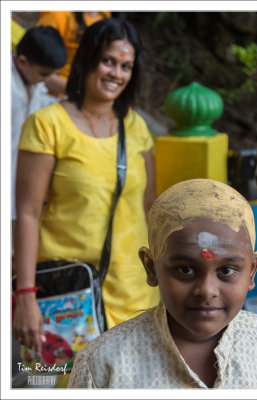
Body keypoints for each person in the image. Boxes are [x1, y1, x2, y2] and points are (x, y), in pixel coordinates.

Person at [13, 18, 160, 364]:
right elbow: (28, 214)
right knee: (54, 384)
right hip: (65, 297)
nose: (116, 74)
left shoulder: (135, 126)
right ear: (87, 60)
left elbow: (150, 205)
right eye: (108, 61)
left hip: (134, 294)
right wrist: (25, 297)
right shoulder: (47, 125)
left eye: (126, 66)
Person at [67, 178, 257, 389]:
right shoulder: (102, 365)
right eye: (185, 270)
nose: (207, 291)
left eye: (227, 270)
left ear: (252, 270)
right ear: (151, 268)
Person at [11, 26, 67, 263]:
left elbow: (44, 101)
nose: (49, 80)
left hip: (16, 177)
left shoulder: (33, 83)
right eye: (45, 74)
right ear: (22, 61)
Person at [36, 11, 111, 96]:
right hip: (50, 96)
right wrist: (81, 94)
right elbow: (37, 69)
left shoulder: (108, 18)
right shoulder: (57, 15)